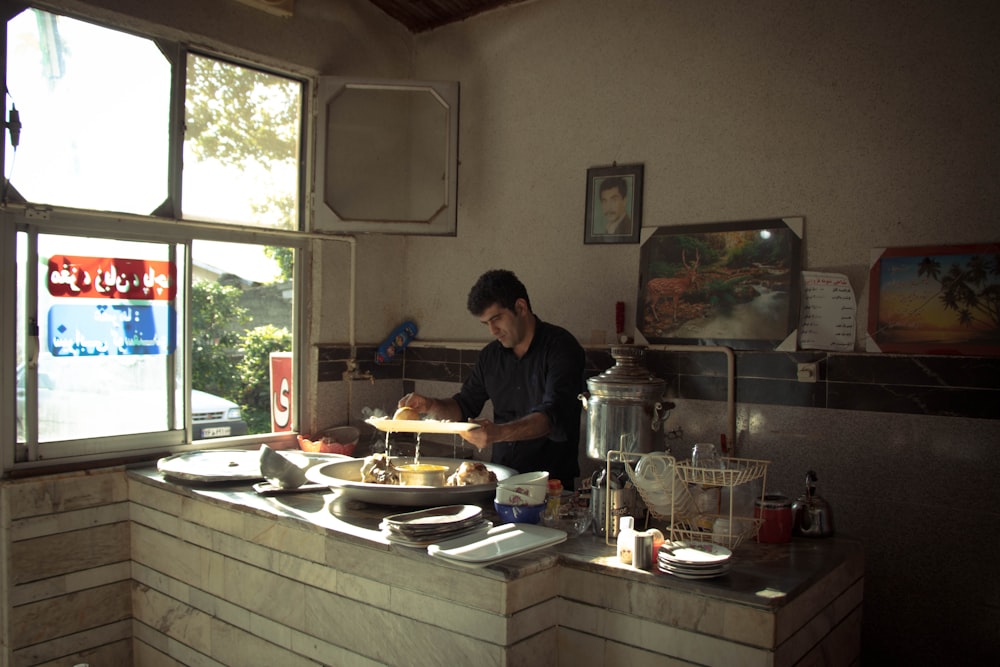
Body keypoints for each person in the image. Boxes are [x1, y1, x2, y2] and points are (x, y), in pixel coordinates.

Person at [398, 269, 586, 488]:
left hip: (552, 485)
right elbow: (463, 405)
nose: (493, 330)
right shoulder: (490, 356)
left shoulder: (561, 348)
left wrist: (498, 433)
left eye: (496, 319)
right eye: (486, 323)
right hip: (501, 482)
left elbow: (552, 417)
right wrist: (430, 405)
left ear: (520, 307)